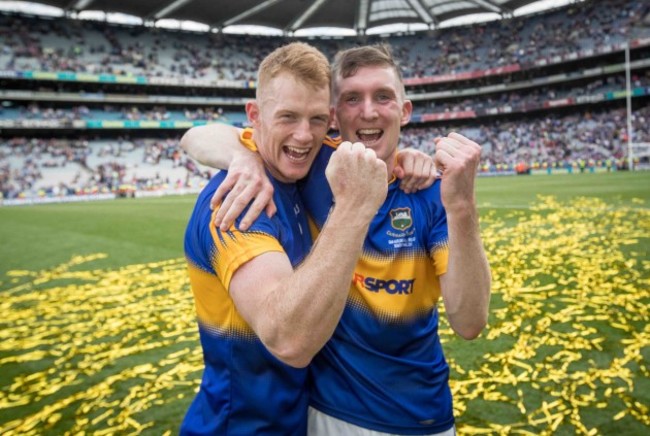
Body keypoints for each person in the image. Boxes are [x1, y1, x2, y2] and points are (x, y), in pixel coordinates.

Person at [182, 44, 491, 435]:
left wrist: (461, 204)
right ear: (338, 115)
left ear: (404, 110)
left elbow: (470, 322)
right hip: (310, 415)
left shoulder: (426, 189)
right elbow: (197, 135)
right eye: (351, 99)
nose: (368, 111)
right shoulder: (261, 187)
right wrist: (242, 158)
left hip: (418, 416)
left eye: (383, 97)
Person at [180, 42, 389, 435]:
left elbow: (383, 148)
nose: (304, 135)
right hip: (237, 427)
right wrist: (352, 208)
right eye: (288, 117)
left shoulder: (296, 171)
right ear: (254, 117)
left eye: (315, 119)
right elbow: (289, 339)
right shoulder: (236, 200)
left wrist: (414, 160)